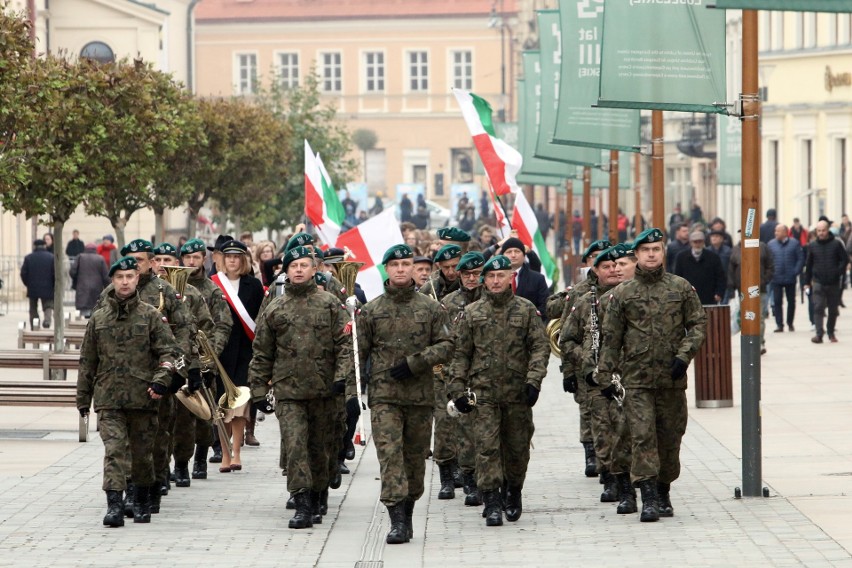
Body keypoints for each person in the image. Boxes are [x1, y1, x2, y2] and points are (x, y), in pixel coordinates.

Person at [596, 228, 707, 523]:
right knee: (642, 436)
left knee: (670, 439)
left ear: (663, 252)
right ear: (637, 255)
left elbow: (697, 325)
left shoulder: (680, 288)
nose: (651, 254)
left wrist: (684, 356)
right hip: (637, 380)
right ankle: (649, 498)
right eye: (646, 250)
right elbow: (611, 339)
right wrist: (604, 376)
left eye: (656, 249)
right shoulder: (623, 293)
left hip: (671, 379)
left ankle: (663, 489)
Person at [249, 245, 352, 529]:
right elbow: (262, 352)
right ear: (286, 270)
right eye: (293, 266)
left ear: (314, 269)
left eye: (304, 266)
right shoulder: (275, 307)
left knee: (320, 449)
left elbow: (346, 345)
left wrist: (342, 378)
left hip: (324, 391)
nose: (297, 270)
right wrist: (258, 390)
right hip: (289, 392)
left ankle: (319, 494)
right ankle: (302, 503)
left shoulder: (330, 304)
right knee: (295, 447)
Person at [356, 244, 453, 544]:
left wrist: (416, 363)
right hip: (384, 397)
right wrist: (351, 392)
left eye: (405, 263)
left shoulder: (431, 308)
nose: (400, 269)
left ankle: (408, 512)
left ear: (413, 268)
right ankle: (396, 519)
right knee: (389, 456)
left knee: (414, 460)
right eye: (394, 264)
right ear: (386, 269)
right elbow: (358, 354)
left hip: (420, 396)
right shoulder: (371, 310)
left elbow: (448, 346)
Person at [76, 256, 178, 527]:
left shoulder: (151, 316)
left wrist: (161, 380)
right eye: (119, 277)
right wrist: (83, 399)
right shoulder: (99, 318)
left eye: (129, 276)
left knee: (143, 454)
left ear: (137, 279)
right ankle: (114, 504)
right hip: (109, 399)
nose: (124, 281)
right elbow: (88, 361)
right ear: (112, 280)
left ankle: (141, 499)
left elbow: (168, 353)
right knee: (114, 450)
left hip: (143, 398)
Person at [448, 254, 548, 527]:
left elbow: (540, 347)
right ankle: (492, 502)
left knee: (517, 449)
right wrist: (457, 388)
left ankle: (513, 491)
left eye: (500, 276)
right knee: (487, 448)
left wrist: (534, 381)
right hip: (484, 394)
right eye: (490, 276)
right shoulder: (472, 313)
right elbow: (461, 354)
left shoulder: (525, 310)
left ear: (510, 278)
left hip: (517, 393)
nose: (494, 281)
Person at [561, 244, 635, 513]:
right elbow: (565, 339)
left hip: (630, 375)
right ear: (596, 271)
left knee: (629, 429)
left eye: (617, 266)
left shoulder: (631, 296)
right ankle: (611, 478)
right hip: (595, 377)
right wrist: (582, 360)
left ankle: (630, 478)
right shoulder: (585, 302)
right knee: (604, 432)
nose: (614, 270)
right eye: (606, 267)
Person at [552, 239, 612, 477]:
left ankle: (610, 460)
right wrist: (568, 371)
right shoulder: (578, 293)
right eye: (596, 256)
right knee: (589, 410)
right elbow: (566, 334)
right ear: (589, 263)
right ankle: (592, 454)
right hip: (585, 365)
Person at [179, 238, 232, 478]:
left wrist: (211, 356)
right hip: (180, 362)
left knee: (204, 415)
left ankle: (200, 458)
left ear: (204, 259)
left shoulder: (212, 290)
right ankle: (179, 464)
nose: (191, 261)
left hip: (203, 360)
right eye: (187, 257)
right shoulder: (172, 287)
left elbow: (223, 325)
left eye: (196, 257)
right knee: (178, 418)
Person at [211, 239, 265, 469]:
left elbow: (261, 319)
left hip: (246, 351)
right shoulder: (213, 284)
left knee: (240, 405)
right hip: (221, 353)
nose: (232, 260)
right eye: (228, 256)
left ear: (243, 260)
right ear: (222, 259)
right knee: (222, 404)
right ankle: (224, 453)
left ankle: (236, 454)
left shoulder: (253, 286)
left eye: (237, 256)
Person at [441, 251, 485, 507]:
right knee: (464, 432)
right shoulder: (448, 304)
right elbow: (442, 341)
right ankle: (469, 480)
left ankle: (488, 480)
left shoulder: (490, 300)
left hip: (487, 375)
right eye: (466, 274)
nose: (471, 278)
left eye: (477, 273)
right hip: (458, 375)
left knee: (487, 432)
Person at [804, 220, 848, 343]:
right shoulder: (812, 246)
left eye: (823, 230)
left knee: (833, 310)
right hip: (818, 282)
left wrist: (837, 272)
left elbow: (844, 260)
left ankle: (831, 332)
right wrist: (807, 282)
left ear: (827, 230)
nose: (821, 233)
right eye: (819, 231)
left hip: (833, 282)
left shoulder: (836, 244)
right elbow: (809, 265)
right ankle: (819, 334)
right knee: (818, 307)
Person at [729, 237, 774, 354]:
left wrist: (764, 280)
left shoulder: (762, 247)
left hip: (760, 288)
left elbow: (770, 265)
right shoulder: (736, 249)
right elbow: (731, 269)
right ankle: (750, 342)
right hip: (742, 290)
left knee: (759, 318)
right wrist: (732, 285)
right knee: (746, 317)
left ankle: (759, 343)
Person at [768, 224, 805, 333]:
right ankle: (779, 324)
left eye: (778, 231)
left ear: (785, 232)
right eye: (775, 231)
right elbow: (769, 260)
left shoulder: (794, 243)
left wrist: (795, 271)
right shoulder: (771, 244)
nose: (776, 233)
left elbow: (800, 259)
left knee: (791, 301)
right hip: (776, 278)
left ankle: (790, 323)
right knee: (777, 302)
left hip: (790, 277)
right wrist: (771, 273)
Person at [500, 237, 548, 320]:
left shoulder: (537, 279)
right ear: (502, 255)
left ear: (524, 255)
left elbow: (544, 307)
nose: (513, 255)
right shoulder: (495, 279)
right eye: (509, 252)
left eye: (517, 251)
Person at [673, 232, 726, 305]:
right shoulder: (681, 257)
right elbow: (677, 277)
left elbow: (720, 277)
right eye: (695, 242)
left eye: (700, 241)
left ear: (703, 242)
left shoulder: (713, 257)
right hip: (688, 298)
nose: (697, 244)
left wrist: (719, 293)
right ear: (691, 243)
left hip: (709, 298)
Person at [20, 239, 55, 329]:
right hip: (48, 286)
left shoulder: (28, 258)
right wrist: (53, 284)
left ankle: (35, 324)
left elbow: (23, 273)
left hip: (33, 286)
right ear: (44, 246)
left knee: (33, 307)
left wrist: (27, 283)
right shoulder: (51, 257)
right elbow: (54, 273)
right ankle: (47, 320)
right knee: (48, 305)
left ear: (34, 246)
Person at [70, 243, 109, 318]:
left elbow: (72, 271)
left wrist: (76, 280)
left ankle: (85, 323)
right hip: (97, 287)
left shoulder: (80, 257)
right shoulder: (100, 258)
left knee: (84, 311)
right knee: (95, 309)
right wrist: (108, 286)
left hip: (82, 286)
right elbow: (106, 276)